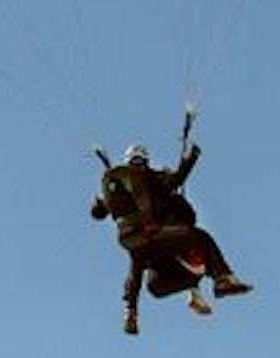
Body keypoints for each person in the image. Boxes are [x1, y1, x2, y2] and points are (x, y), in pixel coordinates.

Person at [91, 142, 251, 334]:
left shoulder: (119, 185)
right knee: (199, 237)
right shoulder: (150, 177)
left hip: (133, 241)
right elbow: (176, 180)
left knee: (143, 273)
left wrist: (99, 202)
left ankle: (131, 311)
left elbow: (97, 213)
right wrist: (191, 158)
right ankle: (221, 279)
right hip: (154, 235)